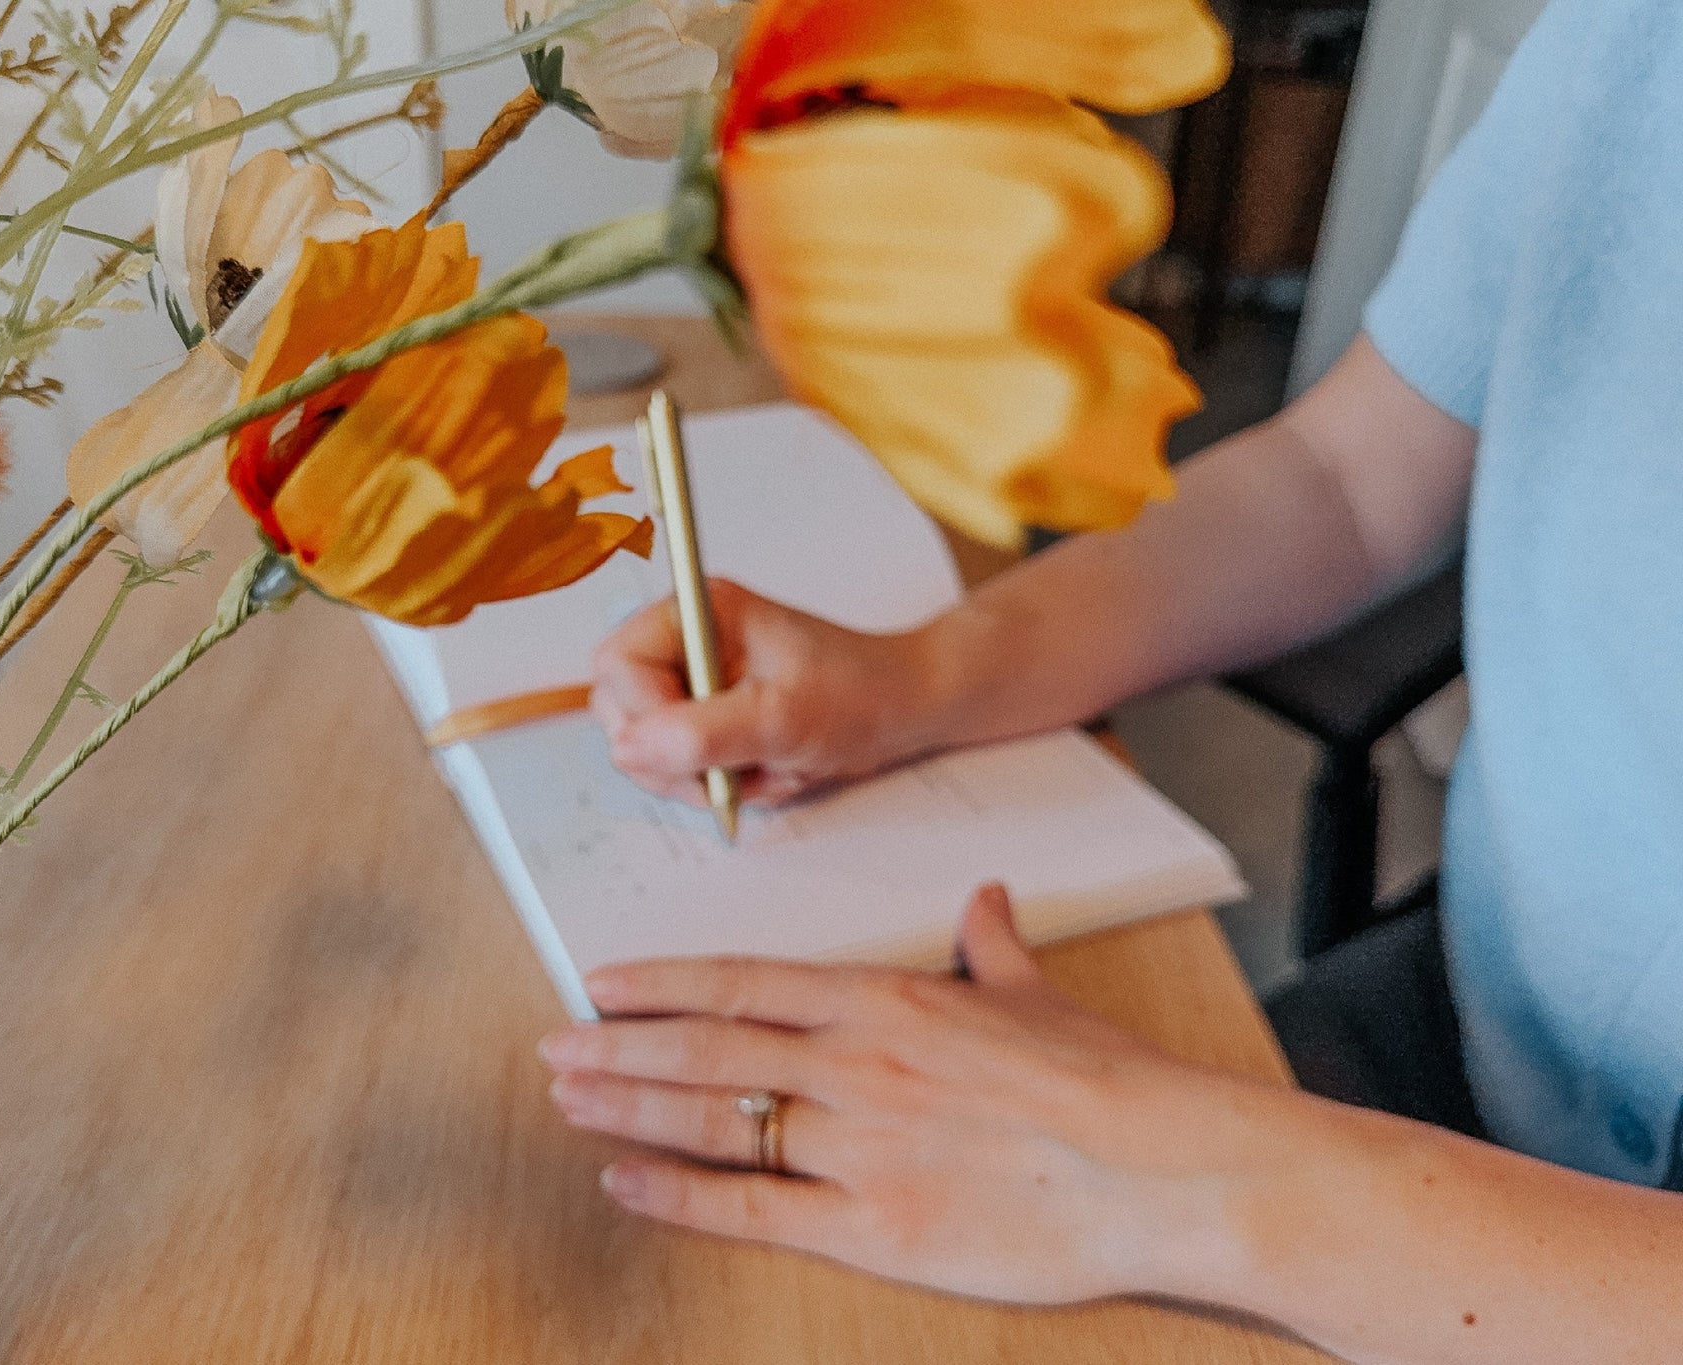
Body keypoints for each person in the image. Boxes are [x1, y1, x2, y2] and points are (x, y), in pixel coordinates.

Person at [537, 0, 1683, 1358]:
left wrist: (1191, 1178)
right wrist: (922, 675)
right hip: (1483, 1025)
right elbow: (1349, 476)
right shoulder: (1626, 38)